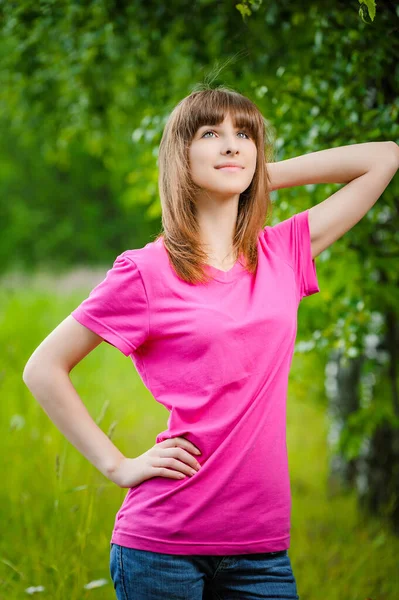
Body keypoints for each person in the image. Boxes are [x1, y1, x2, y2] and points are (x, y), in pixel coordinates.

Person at [22, 85, 399, 600]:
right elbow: (43, 367)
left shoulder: (282, 252)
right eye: (211, 133)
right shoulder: (144, 272)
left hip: (261, 552)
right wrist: (119, 466)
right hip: (161, 548)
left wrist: (257, 177)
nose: (231, 145)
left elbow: (383, 158)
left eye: (244, 134)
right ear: (181, 155)